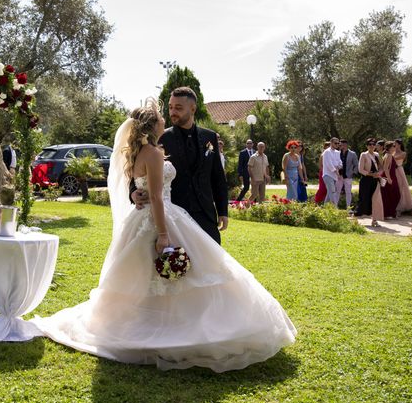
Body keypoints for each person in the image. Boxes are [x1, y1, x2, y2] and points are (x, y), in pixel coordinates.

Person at [32, 100, 297, 372]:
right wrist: (162, 234)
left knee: (147, 279)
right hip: (162, 217)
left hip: (152, 218)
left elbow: (146, 184)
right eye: (161, 115)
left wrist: (140, 194)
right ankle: (169, 328)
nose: (166, 119)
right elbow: (157, 196)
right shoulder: (155, 152)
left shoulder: (137, 152)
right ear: (153, 125)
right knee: (173, 276)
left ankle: (155, 323)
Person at [132, 87, 228, 244]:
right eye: (170, 107)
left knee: (212, 263)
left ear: (193, 108)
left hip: (205, 214)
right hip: (173, 216)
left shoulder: (209, 137)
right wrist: (133, 193)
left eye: (178, 108)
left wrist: (223, 210)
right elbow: (137, 170)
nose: (172, 112)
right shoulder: (160, 138)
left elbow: (218, 177)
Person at [355, 138, 384, 227]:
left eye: (373, 144)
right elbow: (360, 169)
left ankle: (374, 220)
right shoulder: (363, 155)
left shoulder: (377, 155)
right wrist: (371, 174)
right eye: (370, 144)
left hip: (375, 181)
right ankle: (357, 219)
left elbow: (381, 167)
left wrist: (378, 174)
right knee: (364, 199)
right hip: (366, 180)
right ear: (367, 146)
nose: (372, 146)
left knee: (375, 200)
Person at [393, 138, 412, 215]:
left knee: (401, 188)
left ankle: (399, 208)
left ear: (399, 144)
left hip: (399, 170)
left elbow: (395, 158)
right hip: (392, 171)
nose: (394, 145)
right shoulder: (392, 152)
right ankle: (393, 207)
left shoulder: (403, 153)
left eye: (395, 143)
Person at [335, 139, 358, 209]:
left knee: (348, 192)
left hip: (348, 176)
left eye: (341, 144)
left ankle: (348, 208)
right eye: (339, 145)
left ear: (345, 145)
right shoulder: (337, 153)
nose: (339, 146)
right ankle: (335, 207)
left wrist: (353, 173)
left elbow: (356, 164)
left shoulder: (352, 154)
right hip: (339, 176)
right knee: (337, 191)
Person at [380, 141, 401, 219]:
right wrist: (389, 178)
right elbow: (385, 168)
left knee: (389, 195)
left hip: (390, 177)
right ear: (389, 148)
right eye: (394, 146)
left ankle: (389, 213)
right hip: (389, 177)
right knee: (394, 195)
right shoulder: (388, 155)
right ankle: (388, 213)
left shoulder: (388, 155)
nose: (395, 147)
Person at [322, 137, 343, 206]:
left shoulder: (337, 152)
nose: (337, 144)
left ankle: (324, 209)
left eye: (338, 143)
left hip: (334, 176)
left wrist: (338, 167)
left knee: (329, 193)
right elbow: (329, 165)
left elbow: (340, 163)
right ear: (331, 143)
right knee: (333, 192)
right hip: (328, 175)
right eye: (335, 143)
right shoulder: (327, 152)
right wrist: (337, 173)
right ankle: (335, 209)